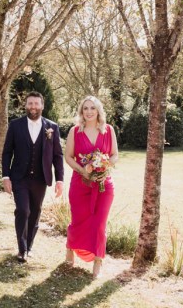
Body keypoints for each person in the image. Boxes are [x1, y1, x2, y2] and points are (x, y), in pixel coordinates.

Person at [2, 91, 64, 263]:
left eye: (36, 103)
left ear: (42, 106)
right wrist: (5, 176)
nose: (33, 107)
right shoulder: (15, 125)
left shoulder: (52, 127)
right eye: (30, 103)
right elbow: (7, 152)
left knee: (35, 212)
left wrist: (60, 179)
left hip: (40, 178)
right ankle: (22, 249)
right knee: (23, 210)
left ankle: (29, 246)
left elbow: (57, 155)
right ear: (26, 105)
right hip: (19, 177)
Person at [64, 96, 118, 278]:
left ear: (98, 111)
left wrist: (105, 166)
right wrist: (83, 171)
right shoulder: (74, 131)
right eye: (85, 108)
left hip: (103, 185)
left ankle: (98, 261)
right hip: (80, 184)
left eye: (92, 108)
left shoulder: (108, 130)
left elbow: (115, 155)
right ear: (81, 111)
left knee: (100, 224)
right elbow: (69, 156)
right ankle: (70, 248)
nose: (88, 112)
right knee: (78, 220)